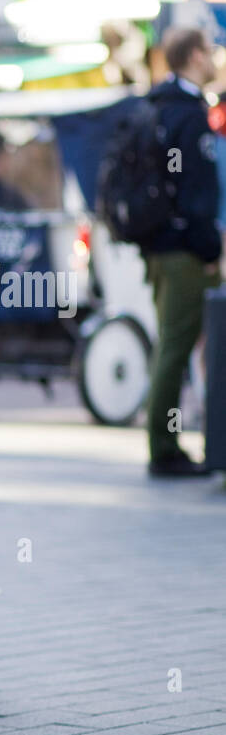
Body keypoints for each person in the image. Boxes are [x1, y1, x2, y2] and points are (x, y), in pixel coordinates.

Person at [141, 26, 222, 476]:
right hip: (184, 252)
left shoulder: (157, 105)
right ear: (193, 55)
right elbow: (195, 192)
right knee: (177, 346)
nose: (213, 59)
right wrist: (208, 247)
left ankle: (165, 441)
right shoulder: (189, 114)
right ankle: (164, 447)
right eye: (209, 51)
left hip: (158, 247)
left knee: (170, 343)